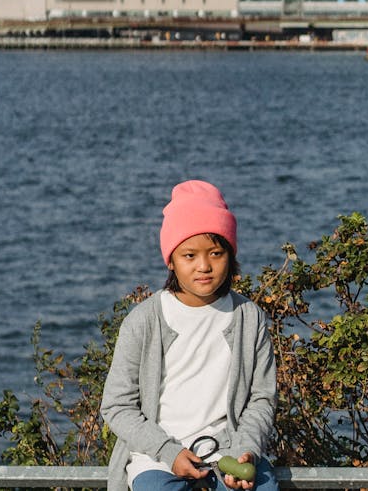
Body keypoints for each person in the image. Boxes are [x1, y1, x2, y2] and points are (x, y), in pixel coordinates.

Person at [101, 180, 278, 491]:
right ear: (171, 260)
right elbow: (117, 406)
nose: (204, 266)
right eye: (189, 256)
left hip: (230, 454)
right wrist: (168, 452)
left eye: (215, 253)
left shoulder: (249, 318)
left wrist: (244, 450)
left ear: (230, 254)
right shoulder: (144, 321)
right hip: (157, 458)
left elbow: (261, 398)